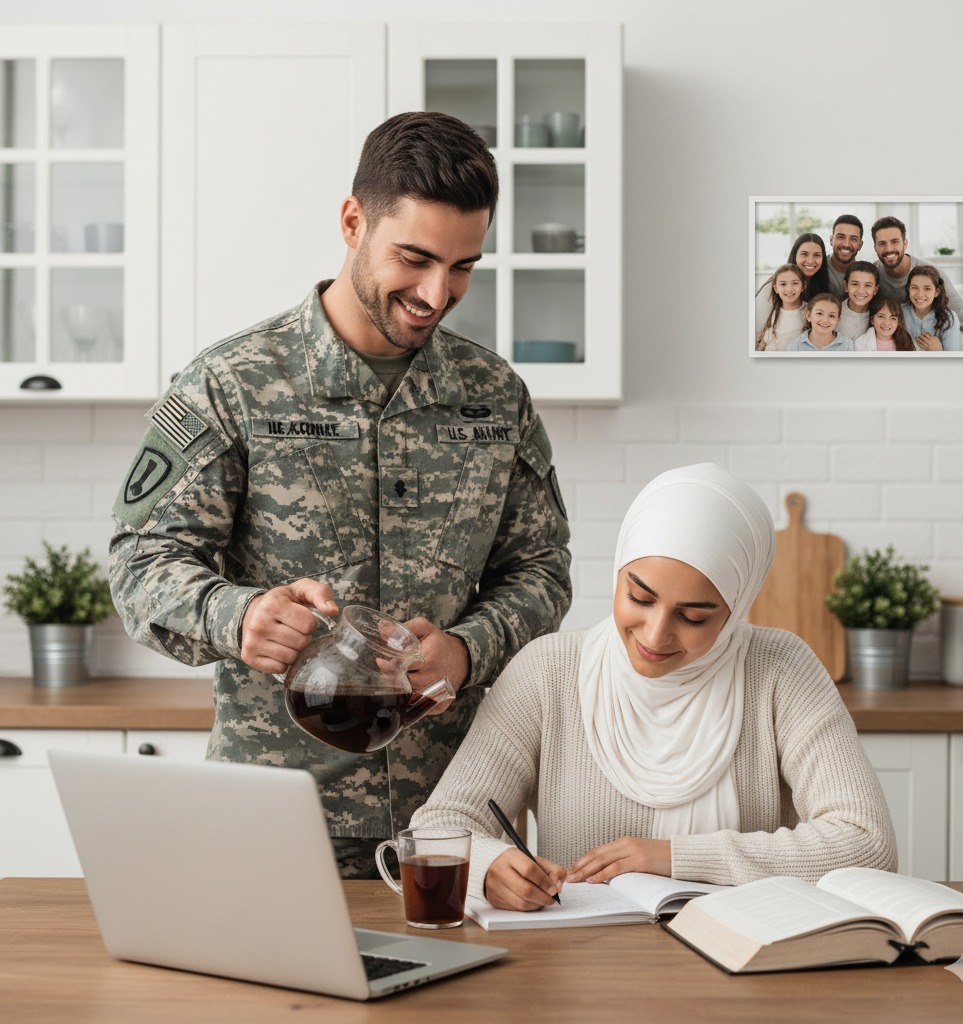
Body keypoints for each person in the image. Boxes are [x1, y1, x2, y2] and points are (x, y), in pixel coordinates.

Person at [107, 111, 573, 878]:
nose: (436, 292)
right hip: (274, 823)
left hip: (455, 825)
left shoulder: (496, 397)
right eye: (415, 258)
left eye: (462, 267)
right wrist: (240, 615)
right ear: (354, 221)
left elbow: (544, 572)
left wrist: (466, 647)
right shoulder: (232, 384)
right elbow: (138, 565)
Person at [410, 464, 896, 910]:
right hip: (582, 975)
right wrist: (488, 868)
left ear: (736, 608)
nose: (655, 635)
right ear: (617, 573)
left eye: (694, 615)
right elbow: (439, 828)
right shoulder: (547, 671)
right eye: (639, 597)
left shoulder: (780, 670)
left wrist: (674, 857)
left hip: (753, 972)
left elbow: (868, 843)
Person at [871, 215, 963, 332]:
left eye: (895, 242)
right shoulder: (871, 275)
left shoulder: (931, 274)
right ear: (875, 247)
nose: (889, 248)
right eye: (882, 243)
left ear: (905, 244)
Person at [754, 233, 829, 335]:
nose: (811, 261)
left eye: (817, 255)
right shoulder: (773, 286)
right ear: (795, 255)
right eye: (804, 254)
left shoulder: (822, 285)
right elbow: (756, 330)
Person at [902, 263, 962, 351]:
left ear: (936, 292)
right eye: (914, 288)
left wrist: (937, 351)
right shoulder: (899, 312)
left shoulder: (949, 318)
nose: (920, 295)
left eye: (927, 289)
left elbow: (954, 360)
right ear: (908, 289)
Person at [755, 263, 806, 351]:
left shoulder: (810, 310)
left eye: (795, 283)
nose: (789, 289)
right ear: (776, 288)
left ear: (803, 286)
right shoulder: (772, 312)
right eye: (783, 284)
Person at [786, 292, 854, 352]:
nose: (825, 320)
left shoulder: (847, 345)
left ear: (838, 320)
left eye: (831, 316)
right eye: (819, 313)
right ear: (809, 316)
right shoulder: (795, 347)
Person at [824, 214, 865, 300]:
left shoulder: (866, 275)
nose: (846, 244)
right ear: (831, 240)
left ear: (860, 245)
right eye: (841, 237)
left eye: (853, 239)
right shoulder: (817, 268)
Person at [836, 260, 879, 340]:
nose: (861, 291)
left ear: (875, 290)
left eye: (868, 285)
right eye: (855, 284)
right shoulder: (834, 312)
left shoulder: (880, 316)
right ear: (846, 286)